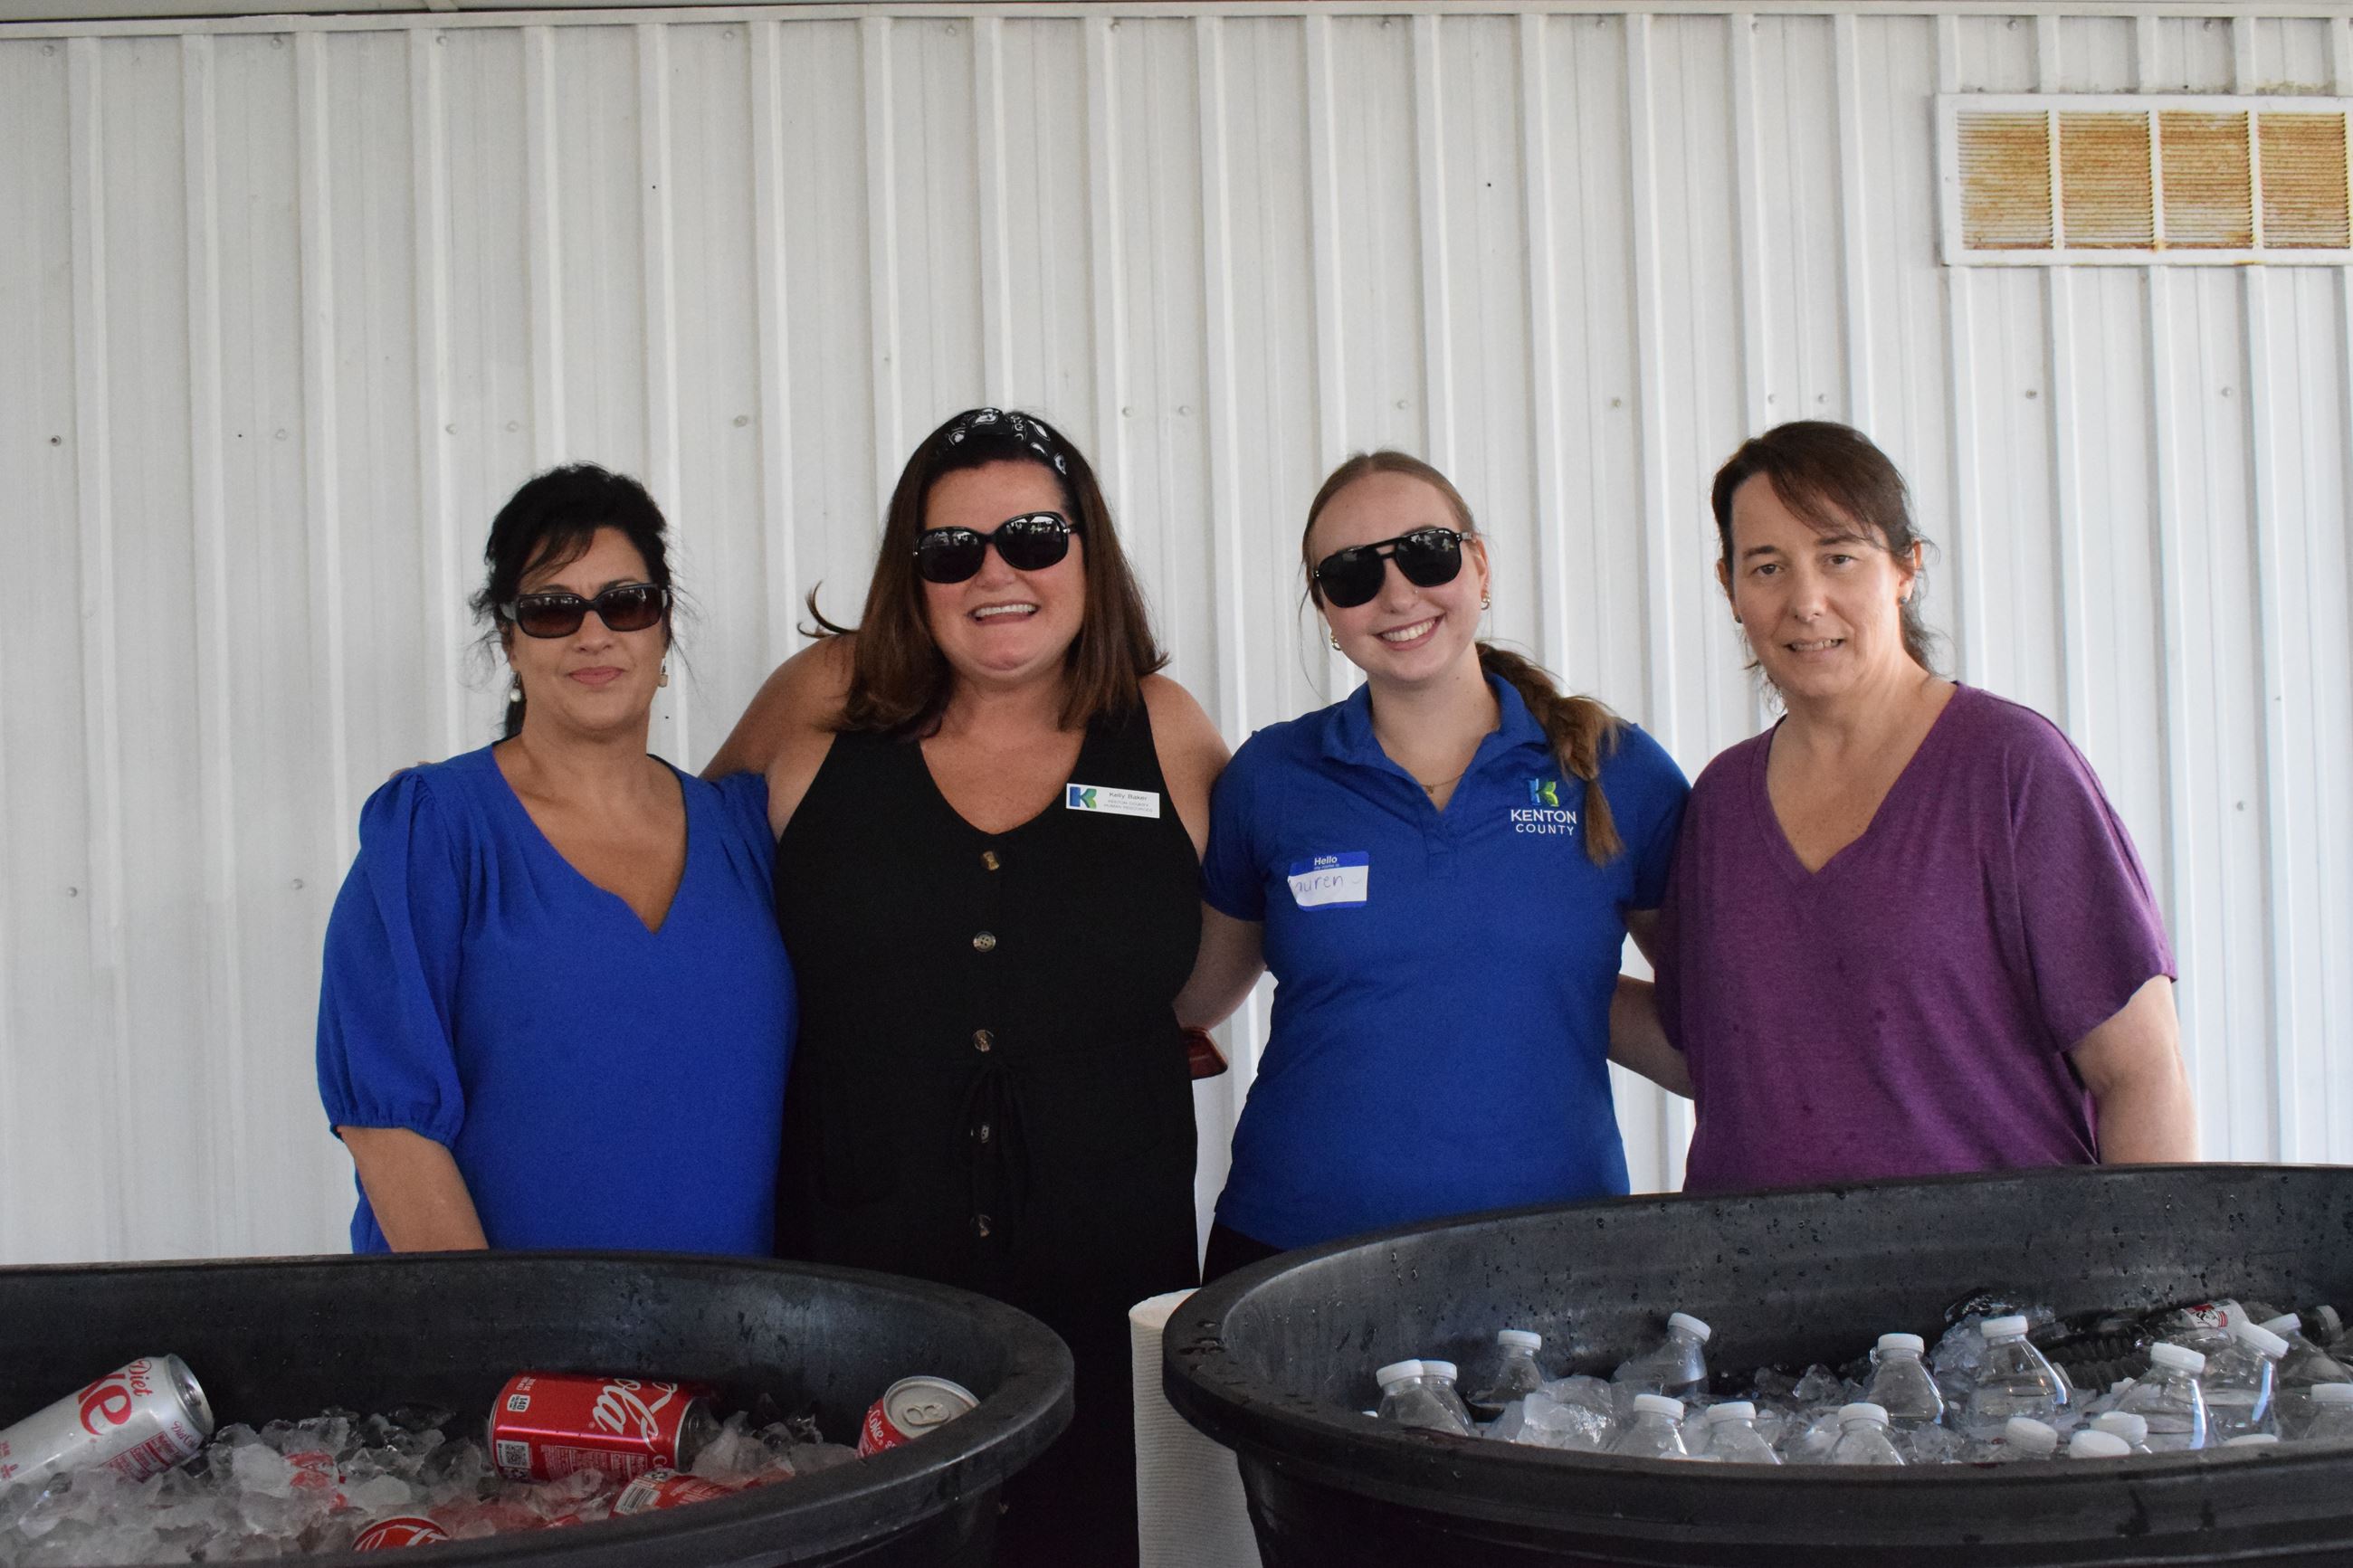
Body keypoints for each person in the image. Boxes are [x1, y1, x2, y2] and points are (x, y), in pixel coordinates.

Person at [705, 407, 1226, 1567]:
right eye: (952, 549)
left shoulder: (1167, 731)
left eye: (1034, 536)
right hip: (857, 1275)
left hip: (1105, 1258)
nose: (996, 571)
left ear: (1088, 550)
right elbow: (685, 883)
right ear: (913, 572)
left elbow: (1236, 940)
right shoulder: (821, 701)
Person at [1181, 451, 1693, 1283]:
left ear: (1479, 564)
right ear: (1325, 609)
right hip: (1291, 1255)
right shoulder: (1271, 778)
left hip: (1553, 1255)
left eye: (1425, 552)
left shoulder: (1614, 769)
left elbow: (1713, 1017)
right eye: (1350, 574)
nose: (1396, 594)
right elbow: (1195, 995)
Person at [1656, 420, 2197, 1192]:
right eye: (1768, 566)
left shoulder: (2011, 767)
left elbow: (2142, 1073)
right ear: (1730, 586)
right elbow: (1704, 1053)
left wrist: (2146, 1295)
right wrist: (1526, 974)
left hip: (1997, 1299)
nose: (1806, 601)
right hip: (1752, 1296)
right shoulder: (1719, 803)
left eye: (1838, 557)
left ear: (1906, 568)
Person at [316, 464, 795, 1254]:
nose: (594, 633)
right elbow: (388, 1130)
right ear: (507, 637)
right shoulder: (434, 831)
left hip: (734, 1354)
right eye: (551, 610)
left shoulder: (746, 832)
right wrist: (504, 1365)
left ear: (664, 626)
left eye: (626, 603)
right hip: (498, 1364)